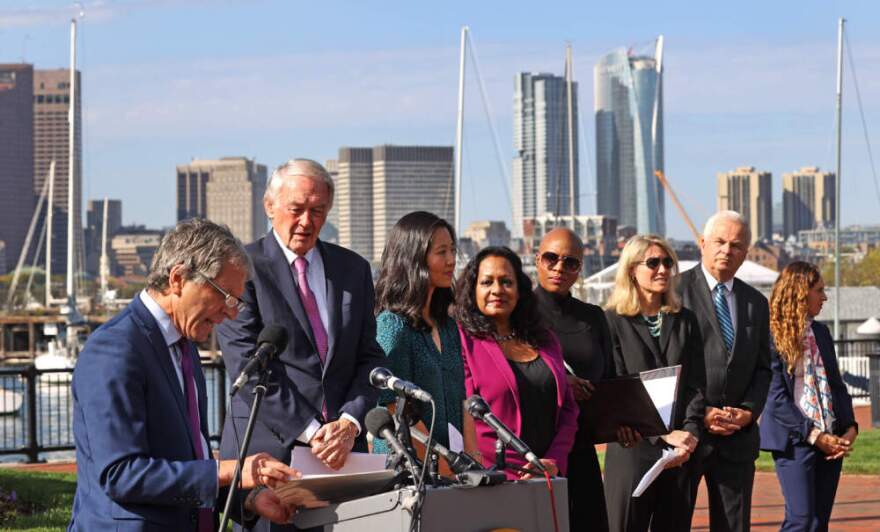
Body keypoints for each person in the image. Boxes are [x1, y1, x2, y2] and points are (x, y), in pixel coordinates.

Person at [69, 219, 298, 531]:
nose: (232, 312)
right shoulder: (114, 350)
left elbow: (189, 461)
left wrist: (247, 499)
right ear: (177, 278)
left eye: (237, 300)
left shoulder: (184, 346)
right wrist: (230, 470)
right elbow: (120, 474)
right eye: (225, 295)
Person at [216, 159, 385, 531]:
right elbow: (248, 364)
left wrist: (349, 423)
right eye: (296, 209)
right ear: (270, 206)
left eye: (318, 211)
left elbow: (369, 356)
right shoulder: (241, 268)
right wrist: (314, 433)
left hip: (344, 457)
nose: (307, 221)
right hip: (268, 458)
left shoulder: (353, 269)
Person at [603, 234, 706, 532]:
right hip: (632, 450)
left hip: (680, 454)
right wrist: (662, 436)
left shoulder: (685, 320)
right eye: (653, 263)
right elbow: (619, 388)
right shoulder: (611, 321)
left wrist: (689, 434)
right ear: (632, 270)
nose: (662, 269)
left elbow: (696, 384)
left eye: (667, 262)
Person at [677, 210, 771, 532]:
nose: (726, 250)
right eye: (719, 241)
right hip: (685, 436)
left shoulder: (756, 303)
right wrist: (701, 412)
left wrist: (747, 413)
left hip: (737, 441)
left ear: (745, 253)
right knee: (673, 522)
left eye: (736, 245)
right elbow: (669, 365)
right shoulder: (675, 293)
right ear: (702, 243)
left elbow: (763, 368)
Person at [454, 246, 578, 480]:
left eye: (506, 282)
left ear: (520, 290)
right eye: (486, 282)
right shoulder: (461, 341)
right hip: (492, 480)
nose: (497, 290)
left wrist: (553, 461)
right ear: (473, 290)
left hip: (549, 479)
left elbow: (569, 410)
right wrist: (514, 469)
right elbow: (467, 416)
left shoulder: (546, 339)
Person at [760, 261, 858, 531]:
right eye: (819, 290)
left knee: (818, 523)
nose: (824, 297)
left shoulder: (822, 332)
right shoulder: (770, 335)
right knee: (801, 520)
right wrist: (815, 436)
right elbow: (775, 398)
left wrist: (850, 428)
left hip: (831, 438)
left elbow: (837, 386)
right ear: (800, 292)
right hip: (795, 440)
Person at [533, 228, 612, 531]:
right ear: (537, 259)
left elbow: (611, 379)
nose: (559, 268)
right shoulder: (518, 313)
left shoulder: (593, 316)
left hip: (581, 445)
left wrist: (625, 422)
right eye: (551, 258)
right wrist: (561, 382)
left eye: (570, 262)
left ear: (580, 268)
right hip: (535, 446)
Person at [373, 211, 464, 458]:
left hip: (453, 472)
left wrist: (473, 463)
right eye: (441, 252)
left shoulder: (448, 326)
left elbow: (462, 403)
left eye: (453, 250)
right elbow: (395, 410)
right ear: (414, 259)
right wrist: (449, 468)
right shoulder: (392, 327)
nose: (451, 260)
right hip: (407, 471)